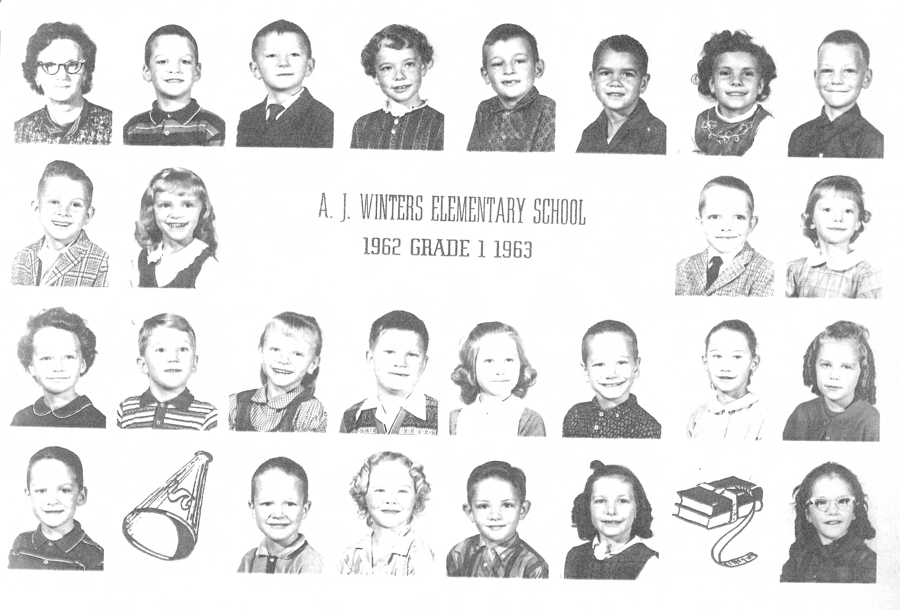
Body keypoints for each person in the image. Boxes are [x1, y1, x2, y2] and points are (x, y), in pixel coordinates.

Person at [236, 20, 333, 148]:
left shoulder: (324, 118)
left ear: (309, 66)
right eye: (271, 55)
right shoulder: (248, 118)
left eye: (294, 54)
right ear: (255, 69)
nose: (283, 63)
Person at [123, 24, 225, 146]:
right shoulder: (133, 128)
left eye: (185, 61)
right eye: (162, 61)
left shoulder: (212, 127)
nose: (175, 69)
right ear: (147, 72)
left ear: (197, 72)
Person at [11, 160, 108, 287]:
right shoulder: (22, 257)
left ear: (88, 215)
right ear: (36, 209)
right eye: (54, 202)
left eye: (75, 204)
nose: (63, 212)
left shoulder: (102, 263)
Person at [341, 310, 437, 434]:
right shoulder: (351, 418)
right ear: (371, 359)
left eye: (412, 355)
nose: (400, 363)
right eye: (390, 352)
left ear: (424, 364)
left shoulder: (442, 417)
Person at [788, 31, 882, 158]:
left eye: (848, 71)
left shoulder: (873, 141)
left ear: (866, 78)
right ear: (816, 77)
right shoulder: (799, 136)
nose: (836, 80)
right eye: (827, 70)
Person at [675, 176, 774, 296]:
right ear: (701, 223)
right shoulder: (682, 267)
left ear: (751, 225)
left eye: (738, 217)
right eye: (715, 217)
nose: (726, 227)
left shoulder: (766, 272)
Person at [339, 451, 435, 575]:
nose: (391, 500)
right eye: (380, 490)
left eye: (402, 491)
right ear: (363, 494)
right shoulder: (352, 554)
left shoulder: (420, 556)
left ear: (416, 497)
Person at [446, 460, 548, 577]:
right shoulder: (458, 554)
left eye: (507, 505)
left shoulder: (533, 566)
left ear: (523, 510)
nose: (495, 516)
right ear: (470, 512)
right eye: (483, 506)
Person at [8, 446, 103, 570]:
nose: (52, 501)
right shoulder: (21, 543)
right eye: (41, 490)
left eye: (65, 490)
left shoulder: (94, 556)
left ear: (81, 496)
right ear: (28, 496)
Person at [15, 22, 112, 144]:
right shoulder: (20, 130)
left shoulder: (111, 125)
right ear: (35, 75)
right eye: (49, 65)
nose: (62, 76)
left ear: (85, 73)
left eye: (72, 65)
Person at [229, 312, 327, 433]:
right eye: (275, 349)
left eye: (297, 354)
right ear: (260, 353)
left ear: (313, 364)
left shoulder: (308, 409)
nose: (283, 360)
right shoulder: (236, 403)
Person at [117, 313, 217, 430]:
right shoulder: (126, 409)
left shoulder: (208, 416)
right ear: (143, 365)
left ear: (194, 362)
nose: (173, 358)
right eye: (161, 350)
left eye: (183, 349)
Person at [351, 24, 443, 150]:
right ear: (375, 76)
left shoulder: (440, 124)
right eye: (387, 68)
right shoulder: (362, 126)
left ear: (423, 67)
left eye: (409, 64)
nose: (399, 76)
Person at [783, 321, 878, 441]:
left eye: (846, 367)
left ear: (862, 371)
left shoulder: (872, 421)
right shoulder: (801, 414)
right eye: (826, 365)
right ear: (813, 366)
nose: (834, 376)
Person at [786, 175, 880, 298]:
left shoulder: (867, 276)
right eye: (827, 210)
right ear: (811, 220)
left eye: (847, 211)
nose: (838, 218)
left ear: (858, 221)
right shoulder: (795, 270)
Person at [781, 462, 876, 582]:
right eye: (821, 502)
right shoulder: (799, 558)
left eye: (843, 501)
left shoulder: (868, 564)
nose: (832, 511)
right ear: (807, 514)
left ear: (854, 511)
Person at [563, 320, 660, 438]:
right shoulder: (575, 416)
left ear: (636, 367)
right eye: (599, 364)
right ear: (585, 371)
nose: (611, 374)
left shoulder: (649, 428)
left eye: (621, 362)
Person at [689, 30, 779, 156]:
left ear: (760, 85)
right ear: (712, 84)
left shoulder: (766, 127)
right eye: (725, 73)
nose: (736, 81)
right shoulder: (697, 122)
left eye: (747, 74)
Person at [467, 24, 555, 151]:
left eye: (519, 61)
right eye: (497, 64)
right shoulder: (485, 110)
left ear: (538, 68)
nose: (508, 70)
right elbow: (471, 159)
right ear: (485, 74)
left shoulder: (547, 109)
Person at [12, 308, 105, 428]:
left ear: (83, 364)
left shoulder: (97, 420)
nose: (58, 367)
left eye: (68, 357)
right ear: (31, 367)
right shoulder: (21, 419)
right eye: (46, 358)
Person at [564, 460, 657, 579]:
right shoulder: (574, 556)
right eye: (601, 501)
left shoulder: (650, 564)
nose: (611, 511)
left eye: (622, 501)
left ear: (637, 508)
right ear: (588, 507)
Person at [449, 321, 545, 436]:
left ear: (520, 365)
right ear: (471, 368)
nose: (500, 371)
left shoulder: (529, 421)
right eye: (489, 361)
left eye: (509, 360)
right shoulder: (455, 420)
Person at [576, 35, 665, 154]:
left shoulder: (657, 134)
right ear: (593, 81)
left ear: (643, 84)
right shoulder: (590, 134)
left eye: (627, 74)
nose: (615, 82)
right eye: (606, 73)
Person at [132, 167, 219, 288]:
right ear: (152, 210)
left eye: (188, 205)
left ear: (202, 210)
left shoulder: (207, 269)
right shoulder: (144, 259)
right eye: (165, 205)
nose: (176, 214)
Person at [238, 457, 323, 573]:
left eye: (289, 504)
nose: (278, 514)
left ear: (305, 509)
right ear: (253, 508)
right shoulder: (249, 560)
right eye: (267, 503)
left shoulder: (310, 563)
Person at [687, 320, 767, 440]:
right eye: (717, 356)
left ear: (754, 363)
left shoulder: (764, 417)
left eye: (737, 357)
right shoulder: (697, 417)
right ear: (705, 362)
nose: (725, 367)